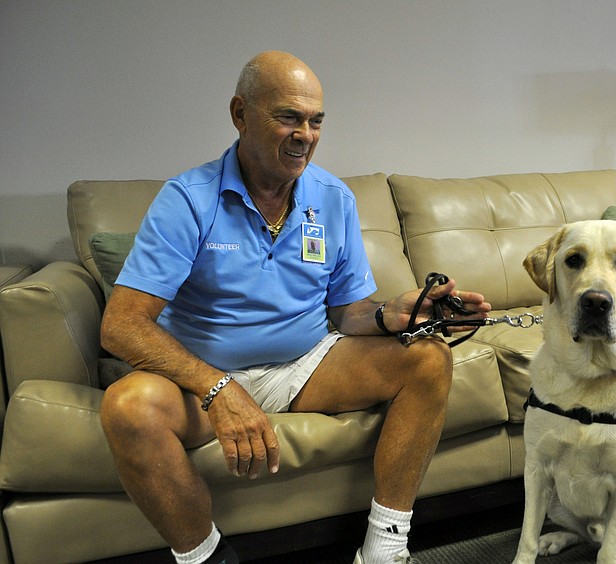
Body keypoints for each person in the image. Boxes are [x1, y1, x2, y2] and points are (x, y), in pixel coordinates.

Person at [99, 50, 491, 564]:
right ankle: (205, 558)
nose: (305, 134)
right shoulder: (188, 199)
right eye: (288, 117)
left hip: (305, 365)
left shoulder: (333, 198)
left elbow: (347, 312)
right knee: (127, 408)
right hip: (199, 381)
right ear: (240, 114)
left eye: (316, 120)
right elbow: (122, 327)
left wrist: (388, 315)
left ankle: (385, 548)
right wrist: (220, 389)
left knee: (428, 358)